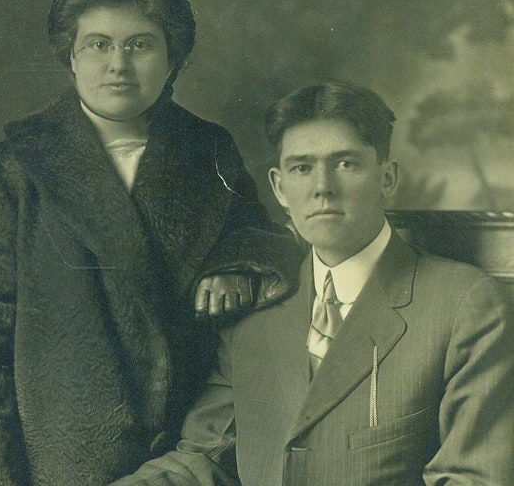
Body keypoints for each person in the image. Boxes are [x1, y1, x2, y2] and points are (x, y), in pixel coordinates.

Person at [0, 0, 303, 485]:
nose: (117, 65)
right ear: (71, 57)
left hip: (190, 455)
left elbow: (263, 236)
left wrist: (235, 265)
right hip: (57, 462)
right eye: (98, 44)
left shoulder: (207, 149)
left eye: (140, 45)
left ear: (172, 60)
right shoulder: (10, 171)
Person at [113, 82, 514, 486]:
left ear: (387, 178)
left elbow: (474, 479)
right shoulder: (259, 305)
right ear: (279, 187)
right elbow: (205, 458)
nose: (322, 187)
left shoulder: (465, 304)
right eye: (302, 168)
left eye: (345, 164)